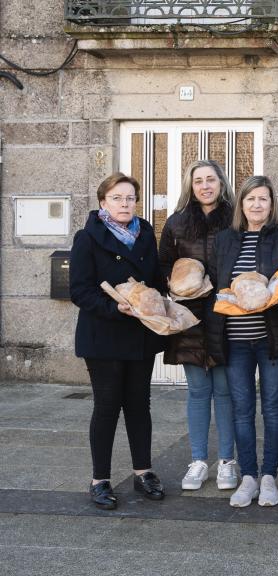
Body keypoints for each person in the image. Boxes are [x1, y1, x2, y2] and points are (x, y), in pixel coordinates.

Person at [70, 172, 167, 509]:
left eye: (130, 198)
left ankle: (144, 473)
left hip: (140, 334)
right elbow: (79, 290)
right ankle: (100, 480)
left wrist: (162, 297)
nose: (125, 204)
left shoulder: (144, 234)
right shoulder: (88, 237)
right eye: (117, 198)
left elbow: (153, 279)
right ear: (103, 203)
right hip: (104, 336)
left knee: (139, 405)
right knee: (108, 406)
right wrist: (114, 307)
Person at [206, 175, 278, 508]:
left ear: (272, 204)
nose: (257, 205)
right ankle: (248, 476)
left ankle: (270, 475)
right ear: (241, 204)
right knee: (241, 410)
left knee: (273, 408)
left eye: (263, 199)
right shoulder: (224, 240)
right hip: (235, 340)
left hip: (271, 338)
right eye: (251, 199)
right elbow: (218, 285)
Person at [158, 159, 239, 492]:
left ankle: (227, 462)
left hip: (224, 314)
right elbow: (163, 265)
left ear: (221, 183)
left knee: (224, 391)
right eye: (198, 181)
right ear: (190, 186)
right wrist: (176, 286)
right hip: (189, 317)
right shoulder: (176, 223)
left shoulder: (237, 219)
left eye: (211, 180)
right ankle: (197, 461)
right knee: (197, 391)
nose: (205, 186)